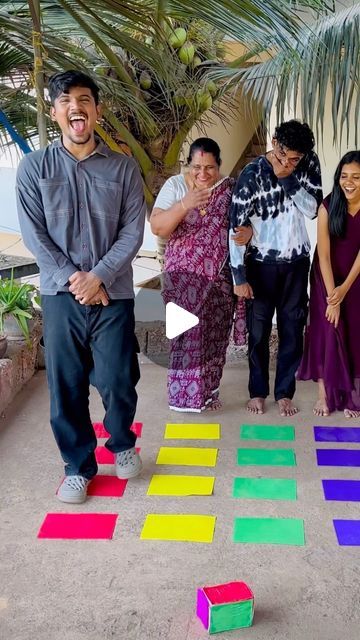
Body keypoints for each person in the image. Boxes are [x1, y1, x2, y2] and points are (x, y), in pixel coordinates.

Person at [16, 70, 146, 504]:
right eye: (66, 100)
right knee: (66, 384)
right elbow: (34, 234)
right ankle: (77, 466)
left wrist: (100, 277)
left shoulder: (124, 168)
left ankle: (122, 443)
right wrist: (77, 281)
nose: (77, 106)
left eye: (85, 99)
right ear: (55, 112)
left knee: (117, 378)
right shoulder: (34, 168)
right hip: (60, 295)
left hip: (114, 294)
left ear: (97, 109)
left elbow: (132, 231)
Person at [150, 138, 251, 412]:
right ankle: (183, 396)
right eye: (196, 167)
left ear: (219, 166)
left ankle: (207, 392)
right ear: (188, 165)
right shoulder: (176, 186)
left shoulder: (229, 189)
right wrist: (185, 204)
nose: (203, 174)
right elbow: (158, 227)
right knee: (186, 335)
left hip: (219, 279)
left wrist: (249, 232)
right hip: (182, 279)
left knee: (215, 338)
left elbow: (246, 223)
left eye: (209, 167)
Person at [229, 120, 323, 417]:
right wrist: (238, 276)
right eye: (282, 154)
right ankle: (257, 391)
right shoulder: (252, 173)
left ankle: (284, 392)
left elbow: (312, 210)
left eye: (294, 158)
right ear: (273, 142)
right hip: (261, 264)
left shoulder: (307, 163)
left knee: (292, 329)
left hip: (296, 262)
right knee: (257, 332)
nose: (287, 162)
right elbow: (236, 227)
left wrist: (288, 178)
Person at [298, 151, 360, 418]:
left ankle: (351, 395)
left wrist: (344, 290)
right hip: (326, 276)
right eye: (344, 176)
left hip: (355, 279)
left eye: (357, 177)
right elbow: (322, 253)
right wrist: (332, 296)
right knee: (327, 330)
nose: (349, 182)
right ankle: (324, 395)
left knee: (354, 331)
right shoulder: (327, 205)